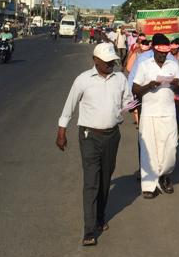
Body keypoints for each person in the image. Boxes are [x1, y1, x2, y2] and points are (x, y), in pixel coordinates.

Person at [55, 43, 134, 246]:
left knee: (105, 178)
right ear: (95, 61)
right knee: (91, 181)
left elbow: (128, 101)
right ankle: (89, 230)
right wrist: (62, 130)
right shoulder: (83, 80)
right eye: (106, 62)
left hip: (112, 136)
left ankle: (100, 216)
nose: (110, 65)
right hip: (89, 136)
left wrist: (128, 108)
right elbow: (70, 105)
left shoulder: (120, 79)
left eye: (112, 61)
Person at [131, 34, 179, 197]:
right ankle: (149, 186)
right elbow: (135, 89)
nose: (163, 55)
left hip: (168, 113)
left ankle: (164, 175)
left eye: (165, 52)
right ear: (153, 49)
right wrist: (149, 86)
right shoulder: (144, 65)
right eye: (160, 52)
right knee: (149, 149)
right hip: (149, 113)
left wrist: (176, 85)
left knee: (170, 148)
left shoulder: (173, 65)